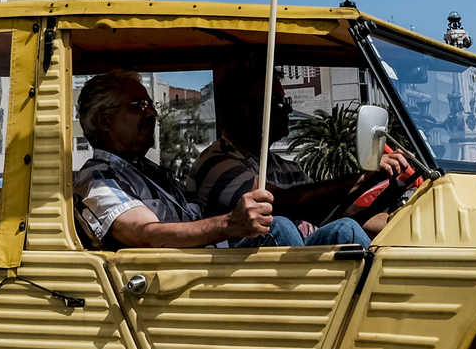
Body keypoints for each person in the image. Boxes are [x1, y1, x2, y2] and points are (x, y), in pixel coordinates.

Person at [71, 70, 366, 250]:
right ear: (105, 120)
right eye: (139, 106)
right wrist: (229, 223)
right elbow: (144, 233)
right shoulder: (96, 178)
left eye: (150, 105)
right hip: (181, 286)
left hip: (210, 263)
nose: (152, 114)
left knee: (346, 231)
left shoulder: (154, 173)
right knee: (278, 228)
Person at [190, 61, 415, 241]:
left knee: (355, 229)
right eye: (279, 103)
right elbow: (281, 201)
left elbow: (327, 208)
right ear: (244, 109)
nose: (288, 109)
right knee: (296, 228)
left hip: (304, 256)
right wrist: (359, 178)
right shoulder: (218, 163)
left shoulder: (284, 166)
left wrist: (399, 218)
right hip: (253, 272)